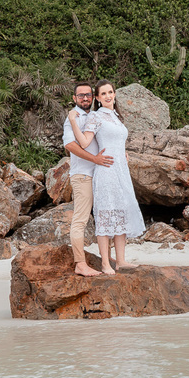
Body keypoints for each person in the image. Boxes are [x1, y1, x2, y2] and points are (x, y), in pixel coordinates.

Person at [67, 80, 146, 274]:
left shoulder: (116, 117)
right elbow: (84, 142)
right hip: (106, 170)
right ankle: (104, 263)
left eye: (110, 92)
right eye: (103, 94)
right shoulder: (95, 116)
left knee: (121, 212)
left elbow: (117, 140)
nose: (108, 96)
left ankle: (120, 260)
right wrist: (72, 121)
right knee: (106, 214)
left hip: (120, 170)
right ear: (98, 98)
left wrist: (122, 152)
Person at [63, 81, 113, 277]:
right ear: (74, 99)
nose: (85, 98)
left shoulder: (94, 116)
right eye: (81, 95)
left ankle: (106, 262)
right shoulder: (73, 118)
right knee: (81, 220)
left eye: (88, 95)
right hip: (83, 175)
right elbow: (70, 145)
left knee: (103, 219)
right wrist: (95, 159)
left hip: (100, 175)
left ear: (93, 97)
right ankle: (80, 264)